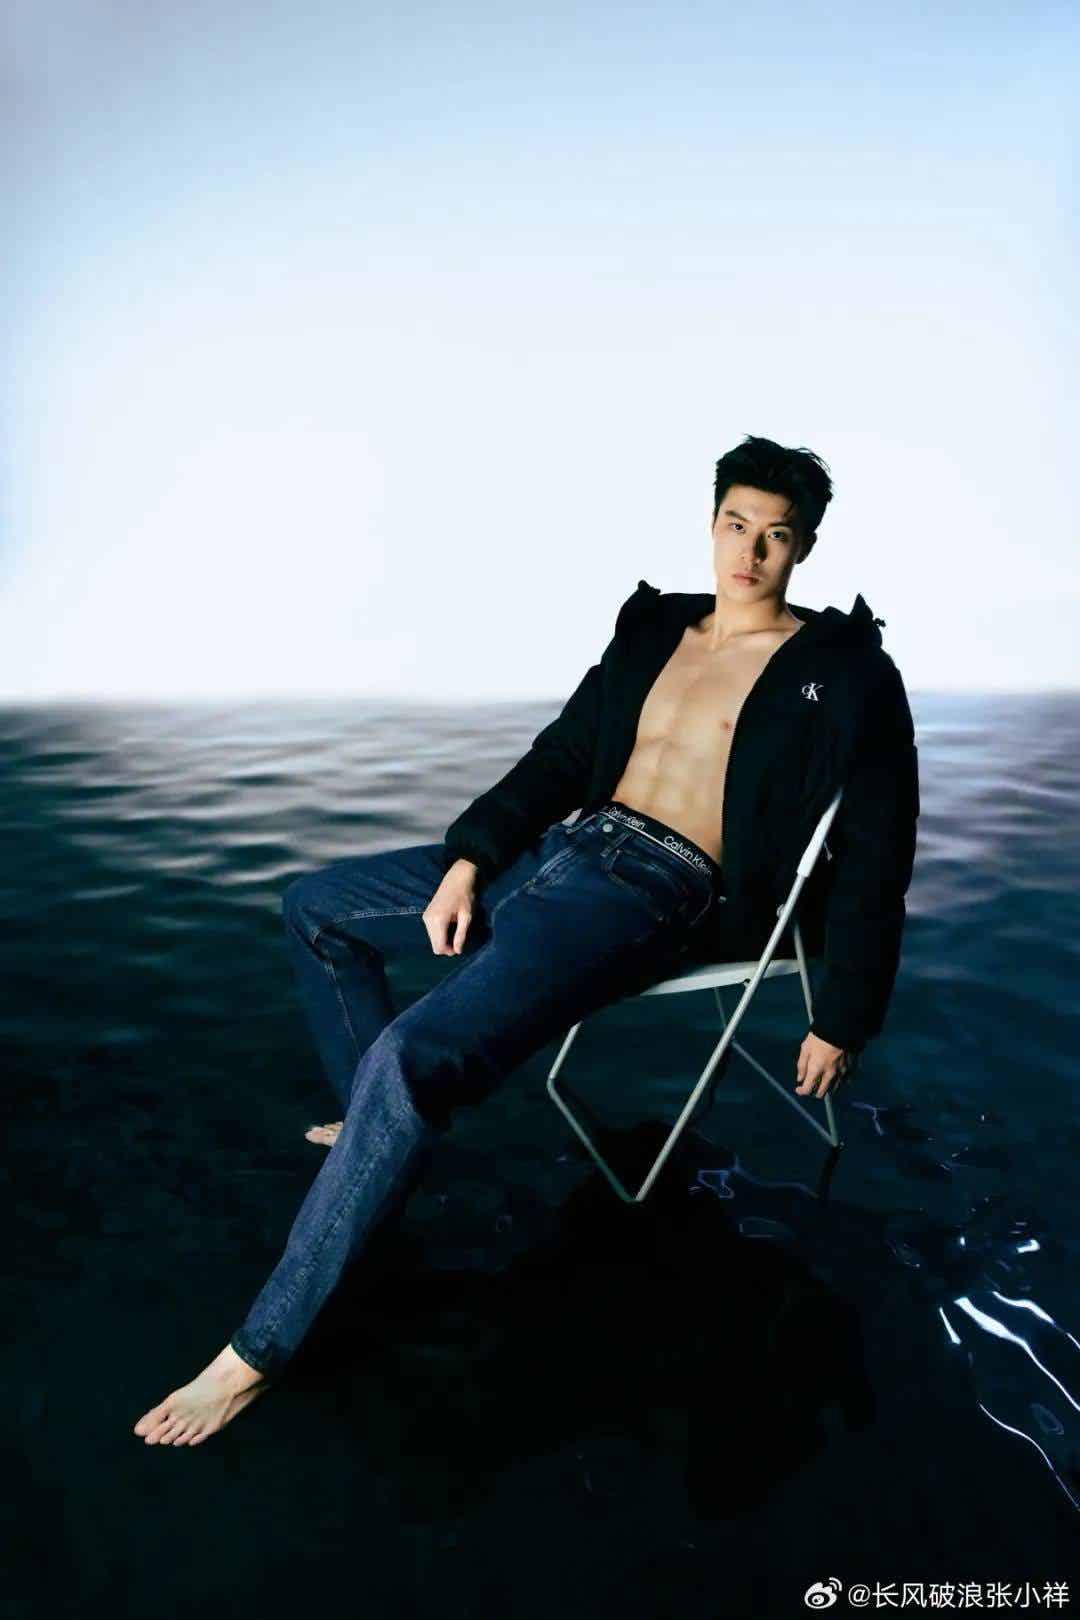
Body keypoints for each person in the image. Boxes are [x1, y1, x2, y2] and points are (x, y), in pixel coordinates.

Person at [133, 434, 919, 1446]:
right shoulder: (658, 628)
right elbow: (562, 755)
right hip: (560, 850)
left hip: (657, 889)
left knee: (417, 1055)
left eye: (775, 535)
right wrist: (471, 858)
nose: (750, 552)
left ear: (804, 546)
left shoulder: (846, 674)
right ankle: (370, 1125)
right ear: (711, 522)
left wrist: (843, 1014)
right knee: (316, 906)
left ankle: (259, 1352)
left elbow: (879, 851)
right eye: (736, 525)